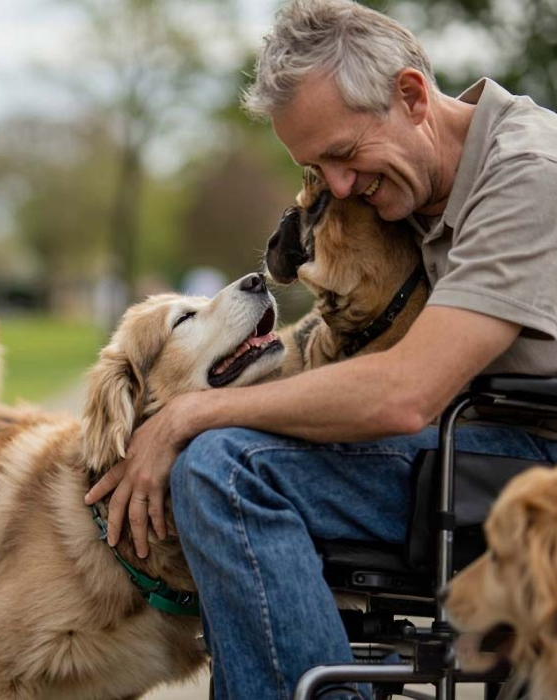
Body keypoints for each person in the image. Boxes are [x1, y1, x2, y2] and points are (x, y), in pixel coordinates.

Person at [84, 1, 557, 697]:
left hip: (527, 464)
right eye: (314, 168)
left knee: (225, 469)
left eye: (343, 154)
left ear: (412, 96)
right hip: (466, 449)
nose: (338, 188)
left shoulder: (528, 175)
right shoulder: (406, 184)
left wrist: (185, 418)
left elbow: (405, 393)